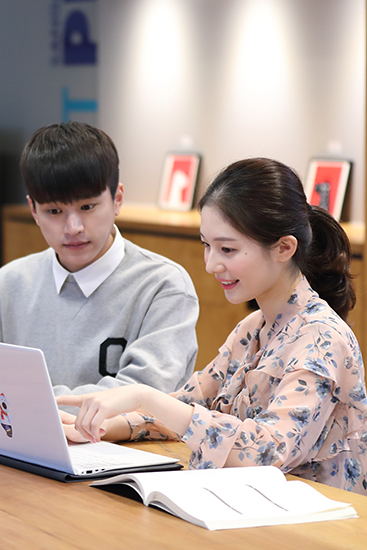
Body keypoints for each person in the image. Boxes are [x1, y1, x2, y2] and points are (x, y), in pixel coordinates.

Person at [57, 157, 367, 494]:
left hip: (316, 518)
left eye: (227, 249)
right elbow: (189, 405)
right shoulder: (252, 327)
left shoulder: (323, 338)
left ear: (284, 248)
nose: (211, 264)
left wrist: (144, 397)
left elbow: (267, 452)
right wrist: (100, 426)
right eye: (207, 245)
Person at [0, 121, 200, 418]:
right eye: (54, 211)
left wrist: (14, 401)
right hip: (18, 442)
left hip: (123, 448)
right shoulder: (11, 282)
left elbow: (142, 394)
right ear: (33, 210)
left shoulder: (164, 286)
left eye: (87, 207)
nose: (73, 227)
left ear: (117, 199)